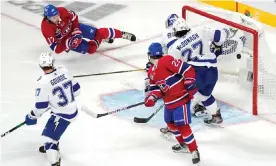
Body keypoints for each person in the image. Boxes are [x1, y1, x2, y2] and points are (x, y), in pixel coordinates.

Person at [144, 42, 200, 165]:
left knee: (182, 125)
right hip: (169, 102)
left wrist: (190, 81)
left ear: (150, 55)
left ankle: (194, 150)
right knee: (170, 123)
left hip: (181, 99)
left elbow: (187, 68)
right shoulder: (151, 71)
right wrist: (152, 98)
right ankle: (183, 145)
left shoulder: (166, 60)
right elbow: (156, 89)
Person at [25, 52, 81, 166]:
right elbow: (77, 90)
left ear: (40, 66)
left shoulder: (42, 82)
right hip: (72, 109)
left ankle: (54, 161)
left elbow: (41, 107)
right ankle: (54, 142)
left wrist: (32, 115)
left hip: (63, 115)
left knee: (49, 139)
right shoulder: (64, 71)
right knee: (54, 128)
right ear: (52, 62)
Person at [168, 18, 226, 125]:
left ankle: (175, 125)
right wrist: (217, 45)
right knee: (205, 96)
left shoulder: (174, 47)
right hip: (213, 71)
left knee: (181, 97)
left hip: (195, 74)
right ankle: (216, 116)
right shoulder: (200, 31)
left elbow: (172, 68)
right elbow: (219, 34)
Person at [41, 4, 136, 55]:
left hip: (74, 29)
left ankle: (121, 34)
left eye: (57, 15)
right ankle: (101, 39)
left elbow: (74, 17)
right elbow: (56, 48)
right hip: (67, 40)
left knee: (99, 33)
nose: (57, 18)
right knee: (91, 50)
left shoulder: (62, 10)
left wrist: (76, 30)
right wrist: (68, 44)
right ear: (47, 18)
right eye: (53, 18)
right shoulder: (46, 28)